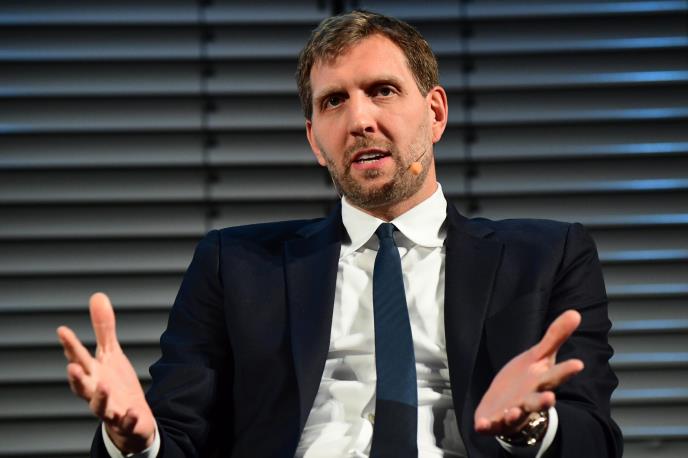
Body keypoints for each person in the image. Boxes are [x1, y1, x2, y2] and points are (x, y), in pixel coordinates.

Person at [57, 10, 623, 458]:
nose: (359, 121)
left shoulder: (548, 256)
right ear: (314, 139)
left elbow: (595, 439)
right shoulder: (234, 265)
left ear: (435, 113)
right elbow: (175, 434)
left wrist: (531, 425)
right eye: (334, 101)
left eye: (383, 90)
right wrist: (133, 440)